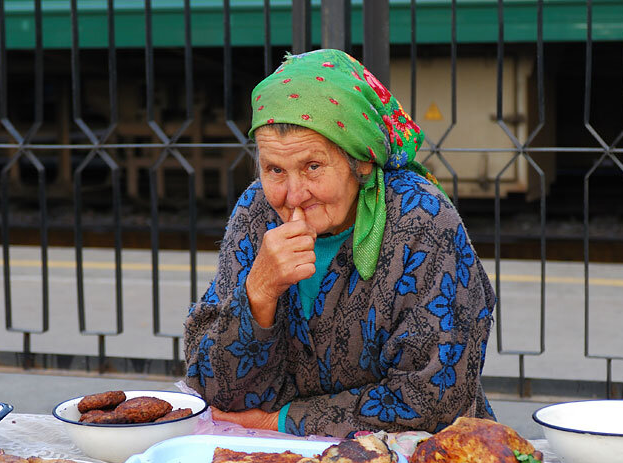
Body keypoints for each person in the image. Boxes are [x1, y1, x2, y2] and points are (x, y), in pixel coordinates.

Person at [184, 49, 496, 438]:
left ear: (361, 161)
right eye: (274, 169)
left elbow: (433, 397)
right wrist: (259, 291)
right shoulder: (256, 211)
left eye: (313, 166)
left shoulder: (422, 220)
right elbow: (219, 393)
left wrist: (280, 421)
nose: (293, 195)